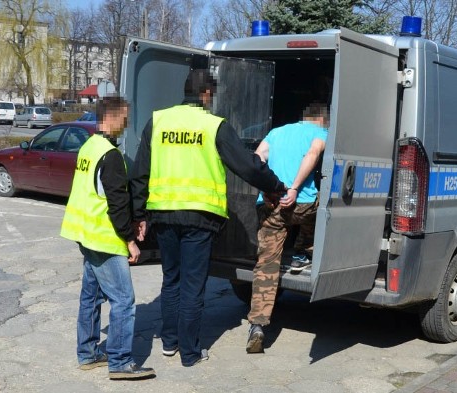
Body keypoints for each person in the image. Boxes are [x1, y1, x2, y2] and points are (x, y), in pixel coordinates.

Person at [130, 68, 287, 367]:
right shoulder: (214, 125)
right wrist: (276, 187)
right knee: (192, 284)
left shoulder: (158, 121)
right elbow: (248, 167)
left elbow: (140, 172)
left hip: (163, 215)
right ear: (205, 94)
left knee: (171, 280)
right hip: (199, 217)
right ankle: (190, 353)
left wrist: (139, 214)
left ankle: (169, 342)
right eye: (211, 94)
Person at [60, 96, 155, 380]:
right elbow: (116, 203)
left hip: (85, 234)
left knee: (90, 296)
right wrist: (130, 240)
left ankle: (88, 354)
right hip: (104, 238)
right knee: (124, 300)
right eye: (124, 118)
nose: (126, 124)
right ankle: (120, 362)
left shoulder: (89, 146)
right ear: (111, 118)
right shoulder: (111, 155)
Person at [246, 103, 329, 354]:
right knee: (326, 208)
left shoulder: (276, 132)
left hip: (271, 204)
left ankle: (258, 325)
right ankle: (303, 251)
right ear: (322, 120)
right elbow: (312, 155)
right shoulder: (320, 133)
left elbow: (257, 159)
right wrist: (294, 188)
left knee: (266, 264)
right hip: (301, 205)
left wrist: (268, 188)